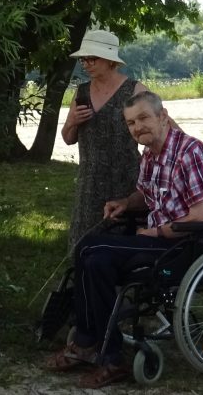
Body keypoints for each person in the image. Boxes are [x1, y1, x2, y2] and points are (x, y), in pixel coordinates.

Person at [41, 91, 203, 389]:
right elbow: (146, 198)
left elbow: (201, 216)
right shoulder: (149, 156)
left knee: (89, 245)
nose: (137, 127)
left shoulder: (190, 152)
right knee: (95, 260)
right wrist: (125, 203)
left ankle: (87, 342)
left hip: (184, 246)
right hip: (156, 241)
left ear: (163, 117)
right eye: (131, 123)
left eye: (144, 118)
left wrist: (158, 232)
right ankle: (108, 356)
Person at [60, 29, 154, 253]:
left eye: (92, 58)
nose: (86, 63)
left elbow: (161, 126)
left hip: (127, 181)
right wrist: (72, 121)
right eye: (83, 59)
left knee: (126, 246)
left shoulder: (134, 90)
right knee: (83, 246)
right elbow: (67, 138)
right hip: (89, 184)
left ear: (110, 60)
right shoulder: (81, 92)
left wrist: (188, 149)